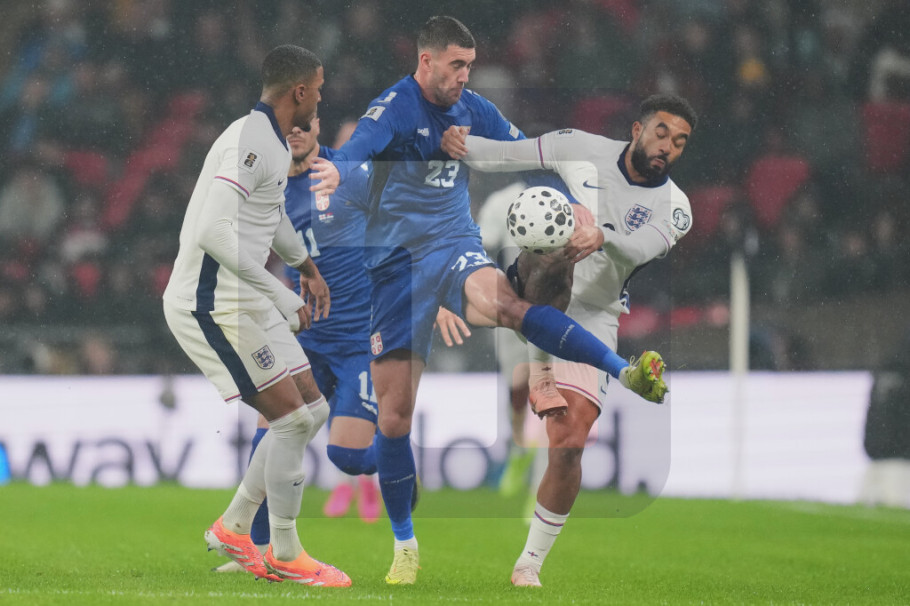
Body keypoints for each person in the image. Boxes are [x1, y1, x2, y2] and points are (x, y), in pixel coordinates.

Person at [309, 16, 667, 585]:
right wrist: (337, 169)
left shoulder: (474, 109)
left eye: (470, 66)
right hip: (396, 274)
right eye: (456, 65)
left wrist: (574, 201)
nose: (464, 76)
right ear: (426, 61)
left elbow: (527, 151)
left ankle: (622, 371)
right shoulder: (395, 106)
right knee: (394, 420)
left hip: (453, 245)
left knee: (511, 309)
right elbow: (360, 147)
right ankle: (405, 545)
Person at [442, 93, 698, 586]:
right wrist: (457, 142)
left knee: (569, 444)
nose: (668, 146)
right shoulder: (580, 147)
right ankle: (538, 369)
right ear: (637, 129)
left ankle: (529, 563)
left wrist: (602, 236)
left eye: (680, 142)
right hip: (531, 287)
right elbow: (507, 154)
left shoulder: (677, 208)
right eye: (662, 132)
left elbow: (639, 248)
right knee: (550, 226)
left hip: (595, 313)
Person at [161, 45, 351, 587]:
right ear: (299, 92)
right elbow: (212, 233)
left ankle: (235, 525)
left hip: (242, 297)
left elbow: (270, 216)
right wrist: (281, 293)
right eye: (318, 89)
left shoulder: (272, 140)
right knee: (291, 421)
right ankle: (285, 553)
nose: (320, 98)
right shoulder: (251, 141)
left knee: (312, 410)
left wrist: (305, 266)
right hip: (211, 303)